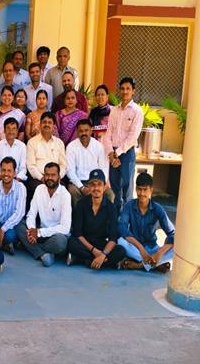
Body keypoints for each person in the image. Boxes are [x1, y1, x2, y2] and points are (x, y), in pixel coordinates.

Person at [67, 169, 126, 269]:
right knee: (71, 243)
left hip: (101, 243)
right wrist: (94, 251)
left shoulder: (111, 207)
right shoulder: (81, 204)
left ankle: (85, 260)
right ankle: (103, 262)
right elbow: (78, 233)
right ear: (88, 186)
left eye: (99, 184)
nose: (96, 188)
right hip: (85, 243)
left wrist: (103, 254)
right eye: (93, 185)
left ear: (104, 187)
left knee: (121, 251)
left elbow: (113, 238)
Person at [117, 173, 174, 272]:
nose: (142, 193)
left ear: (151, 190)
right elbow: (122, 228)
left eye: (145, 190)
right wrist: (141, 249)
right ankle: (154, 264)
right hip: (135, 249)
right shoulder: (129, 206)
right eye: (139, 189)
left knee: (178, 247)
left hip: (152, 249)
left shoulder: (157, 208)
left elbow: (172, 234)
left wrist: (159, 253)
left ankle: (139, 265)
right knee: (120, 241)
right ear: (136, 189)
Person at [17, 162, 71, 267]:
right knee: (19, 224)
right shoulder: (39, 189)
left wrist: (39, 232)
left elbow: (65, 228)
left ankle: (29, 247)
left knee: (60, 242)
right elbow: (31, 214)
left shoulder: (65, 195)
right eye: (47, 174)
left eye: (53, 175)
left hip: (54, 235)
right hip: (39, 233)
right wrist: (32, 230)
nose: (49, 178)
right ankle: (43, 254)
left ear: (59, 177)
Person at [102, 77, 143, 212]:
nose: (125, 91)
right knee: (115, 188)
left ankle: (127, 218)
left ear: (133, 91)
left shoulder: (137, 111)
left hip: (126, 153)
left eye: (128, 89)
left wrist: (117, 153)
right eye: (123, 88)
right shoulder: (114, 110)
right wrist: (111, 154)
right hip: (113, 154)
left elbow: (133, 137)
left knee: (127, 188)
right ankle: (116, 217)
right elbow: (108, 133)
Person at [66, 119, 113, 206]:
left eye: (86, 130)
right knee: (72, 191)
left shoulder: (99, 146)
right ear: (77, 132)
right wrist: (82, 187)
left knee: (109, 194)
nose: (84, 133)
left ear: (91, 131)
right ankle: (79, 214)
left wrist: (98, 185)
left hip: (96, 181)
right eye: (81, 131)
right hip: (78, 182)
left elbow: (104, 169)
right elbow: (70, 171)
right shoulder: (71, 147)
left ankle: (103, 215)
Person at [0, 157, 26, 255]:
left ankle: (3, 243)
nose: (6, 174)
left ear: (14, 173)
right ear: (0, 171)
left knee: (10, 236)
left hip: (11, 225)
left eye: (9, 171)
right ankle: (4, 245)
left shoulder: (21, 188)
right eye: (3, 170)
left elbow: (19, 213)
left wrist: (3, 229)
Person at [26, 112, 67, 194]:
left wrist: (58, 177)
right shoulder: (32, 142)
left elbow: (63, 165)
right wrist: (42, 178)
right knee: (37, 190)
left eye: (49, 122)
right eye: (44, 122)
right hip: (38, 179)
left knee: (63, 190)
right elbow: (31, 165)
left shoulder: (59, 143)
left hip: (55, 178)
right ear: (40, 125)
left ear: (54, 126)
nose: (47, 125)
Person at [0, 117, 27, 181]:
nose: (11, 131)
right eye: (8, 128)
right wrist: (4, 179)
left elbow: (23, 168)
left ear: (17, 131)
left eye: (14, 129)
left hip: (17, 178)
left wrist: (17, 180)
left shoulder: (22, 146)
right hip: (1, 178)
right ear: (4, 130)